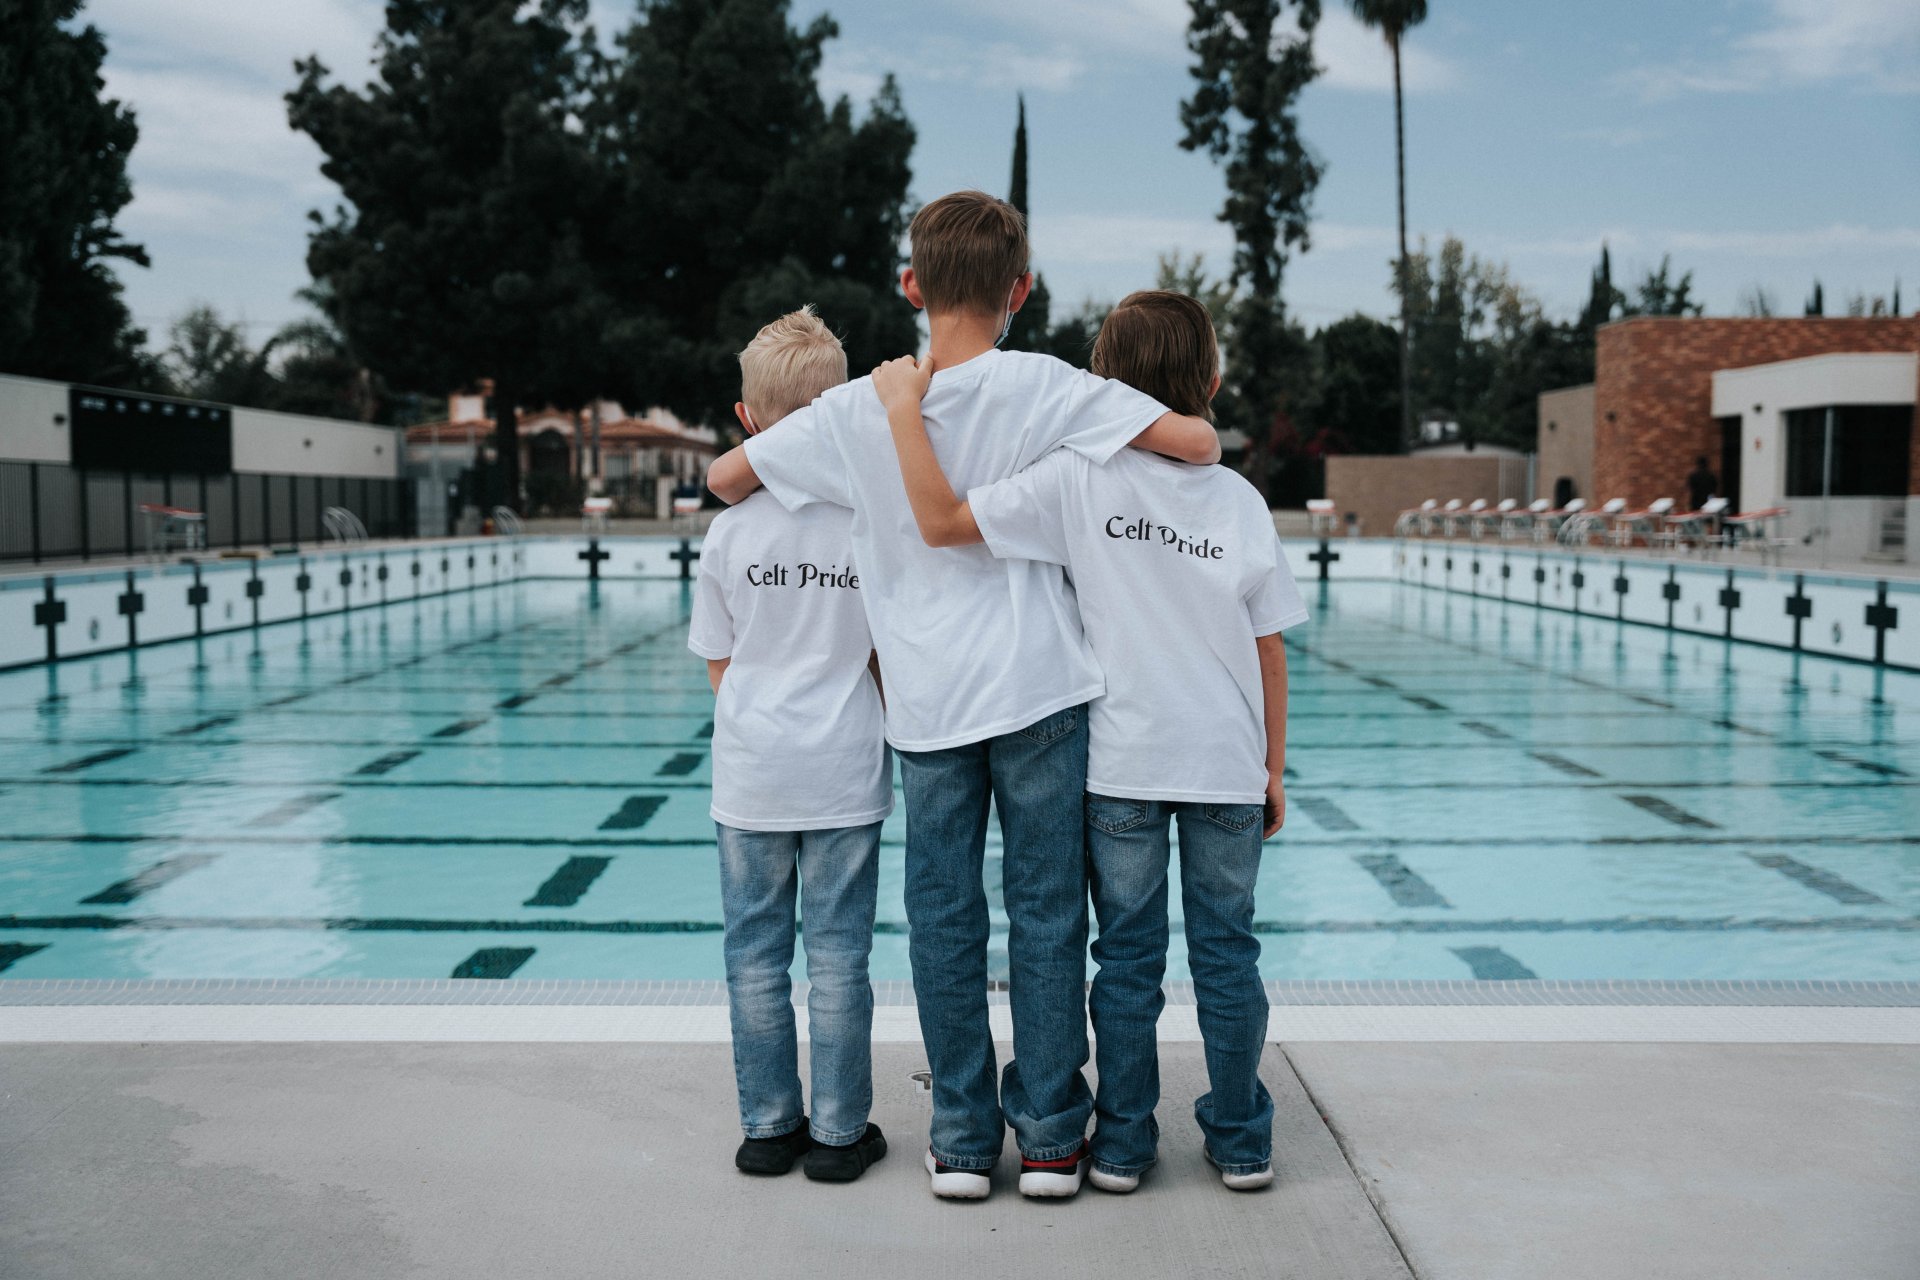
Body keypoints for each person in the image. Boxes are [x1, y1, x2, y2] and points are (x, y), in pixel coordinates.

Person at [705, 191, 1221, 1200]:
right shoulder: (1051, 386)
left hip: (930, 705)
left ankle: (957, 1137)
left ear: (910, 286)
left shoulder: (856, 410)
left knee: (943, 916)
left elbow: (727, 478)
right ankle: (1052, 1140)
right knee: (1045, 914)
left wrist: (845, 453)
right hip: (1041, 692)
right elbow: (1197, 444)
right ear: (1020, 291)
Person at [870, 289, 1308, 1193]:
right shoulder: (1238, 500)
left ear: (1104, 382)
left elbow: (948, 523)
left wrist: (905, 412)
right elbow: (1270, 652)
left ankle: (1119, 1142)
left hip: (1121, 769)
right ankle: (1239, 1140)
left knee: (1128, 958)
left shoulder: (1076, 479)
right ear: (1213, 379)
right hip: (1225, 764)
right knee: (1228, 953)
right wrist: (1270, 768)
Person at [687, 307, 892, 1183]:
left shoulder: (730, 532)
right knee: (841, 955)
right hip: (845, 769)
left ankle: (770, 1128)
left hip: (752, 775)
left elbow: (719, 663)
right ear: (841, 406)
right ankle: (841, 1137)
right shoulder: (870, 526)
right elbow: (887, 657)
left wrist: (764, 724)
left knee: (754, 955)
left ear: (747, 421)